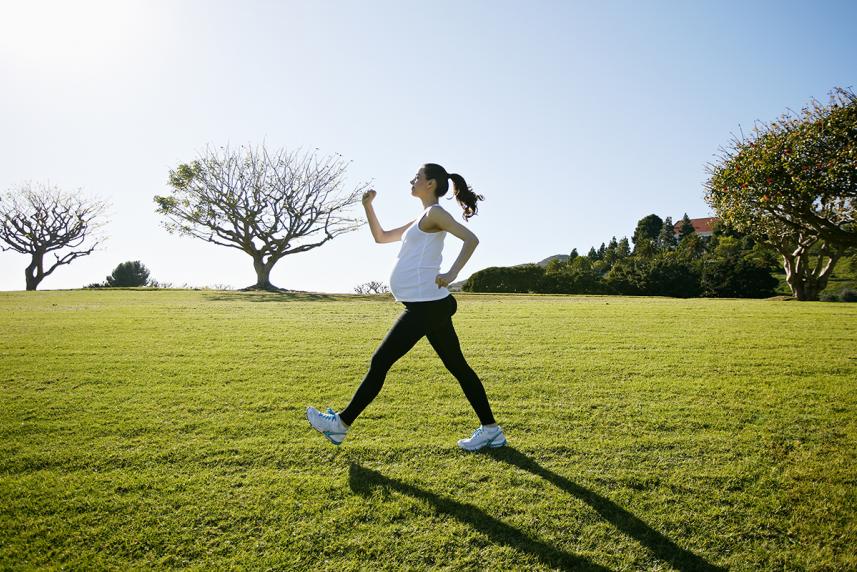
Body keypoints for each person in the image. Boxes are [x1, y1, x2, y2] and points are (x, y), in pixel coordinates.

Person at [306, 163, 506, 451]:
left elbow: (471, 240)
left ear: (431, 184)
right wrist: (367, 206)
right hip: (427, 305)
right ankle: (491, 431)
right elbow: (382, 237)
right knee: (458, 367)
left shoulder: (436, 213)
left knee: (380, 361)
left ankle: (340, 425)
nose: (412, 181)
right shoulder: (421, 218)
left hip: (425, 305)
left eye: (417, 177)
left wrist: (451, 275)